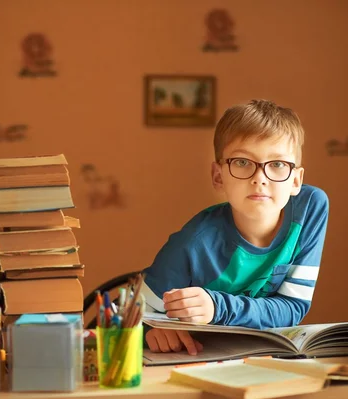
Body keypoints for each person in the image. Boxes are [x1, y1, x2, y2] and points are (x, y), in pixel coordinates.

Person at [141, 99, 329, 355]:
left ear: (296, 180)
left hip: (267, 358)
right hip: (201, 361)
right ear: (218, 176)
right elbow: (132, 318)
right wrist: (152, 331)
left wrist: (218, 307)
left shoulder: (310, 209)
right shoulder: (192, 244)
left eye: (277, 164)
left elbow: (292, 308)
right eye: (242, 162)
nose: (259, 179)